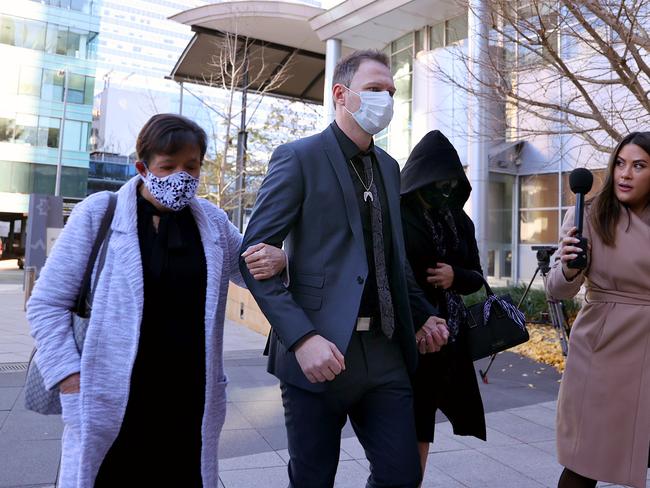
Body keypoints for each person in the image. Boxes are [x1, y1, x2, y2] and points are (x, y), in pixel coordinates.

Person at [26, 114, 287, 487]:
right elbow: (46, 303)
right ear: (143, 167)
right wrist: (68, 375)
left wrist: (282, 258)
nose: (181, 176)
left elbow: (250, 265)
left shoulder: (211, 223)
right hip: (113, 395)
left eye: (191, 167)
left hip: (188, 398)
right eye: (168, 166)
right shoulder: (99, 213)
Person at [240, 50, 449, 488]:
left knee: (402, 475)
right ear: (342, 94)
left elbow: (390, 259)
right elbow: (254, 257)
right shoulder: (297, 157)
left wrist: (423, 311)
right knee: (313, 479)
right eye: (375, 90)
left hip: (386, 352)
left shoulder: (390, 169)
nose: (387, 99)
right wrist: (302, 339)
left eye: (391, 92)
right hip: (318, 351)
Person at [546, 132, 650, 488]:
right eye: (620, 164)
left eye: (639, 166)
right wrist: (570, 267)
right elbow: (557, 289)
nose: (625, 174)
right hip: (602, 350)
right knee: (583, 459)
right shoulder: (588, 214)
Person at [399, 130, 487, 475]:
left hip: (448, 339)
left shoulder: (460, 221)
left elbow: (477, 275)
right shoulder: (399, 214)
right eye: (440, 181)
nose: (446, 188)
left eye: (452, 182)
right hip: (409, 333)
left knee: (424, 424)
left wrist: (456, 276)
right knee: (407, 420)